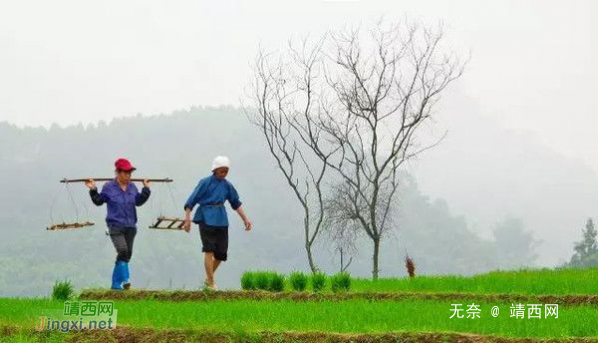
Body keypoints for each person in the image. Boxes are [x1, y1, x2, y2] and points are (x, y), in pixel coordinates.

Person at [183, 156, 252, 290]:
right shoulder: (205, 183)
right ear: (215, 170)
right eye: (222, 171)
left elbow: (235, 203)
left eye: (226, 171)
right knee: (209, 250)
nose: (224, 173)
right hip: (205, 217)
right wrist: (187, 219)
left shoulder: (227, 185)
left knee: (221, 254)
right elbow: (191, 201)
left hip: (221, 219)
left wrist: (245, 219)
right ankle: (211, 282)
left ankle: (208, 278)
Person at [85, 158, 151, 290]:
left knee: (126, 255)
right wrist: (93, 189)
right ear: (118, 173)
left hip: (131, 226)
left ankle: (115, 284)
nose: (129, 176)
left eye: (130, 173)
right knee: (122, 250)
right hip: (115, 226)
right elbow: (99, 201)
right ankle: (126, 280)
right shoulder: (109, 187)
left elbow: (138, 201)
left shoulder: (132, 187)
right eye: (126, 173)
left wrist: (146, 189)